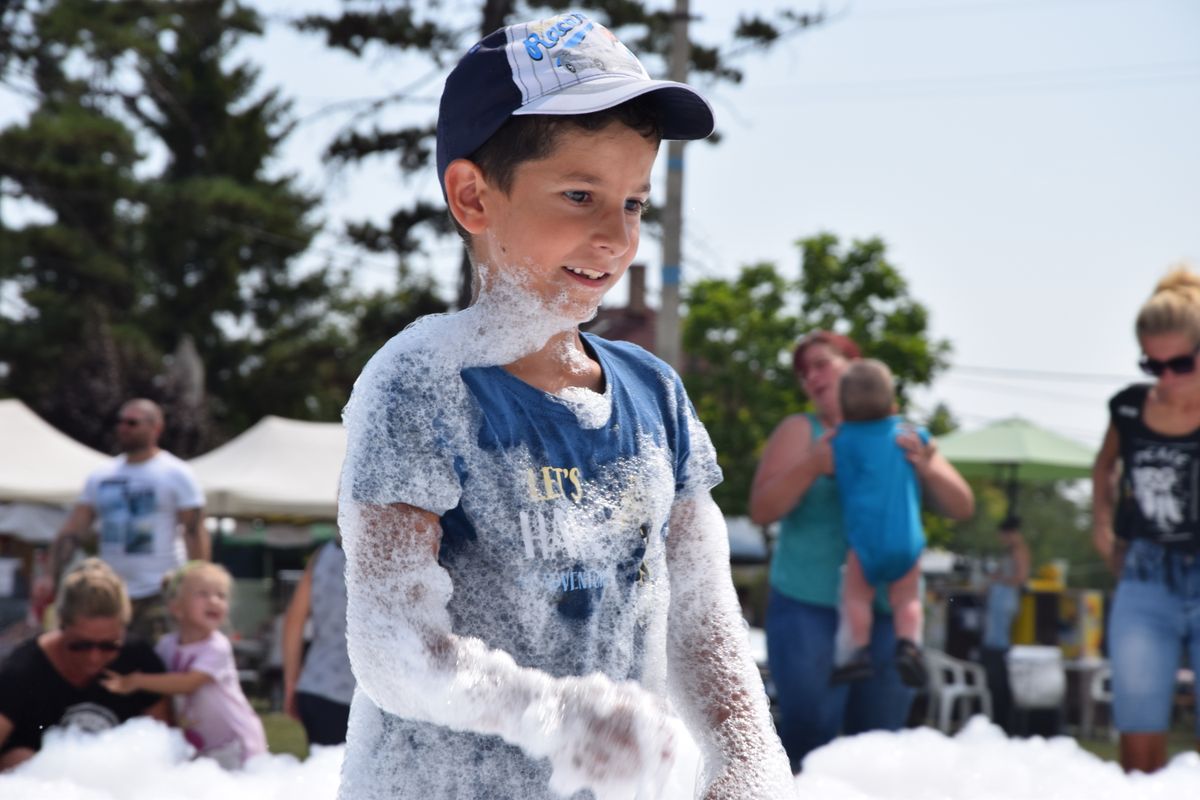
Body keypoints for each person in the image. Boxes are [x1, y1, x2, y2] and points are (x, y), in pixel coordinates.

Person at [337, 11, 793, 800]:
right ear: (474, 197)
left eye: (634, 204)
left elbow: (702, 620)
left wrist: (747, 764)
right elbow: (392, 644)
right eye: (580, 194)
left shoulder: (654, 395)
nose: (615, 238)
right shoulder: (421, 383)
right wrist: (555, 716)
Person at [749, 330, 974, 773]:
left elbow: (961, 506)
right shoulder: (802, 430)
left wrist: (926, 464)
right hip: (809, 607)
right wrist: (813, 463)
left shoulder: (903, 434)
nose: (811, 376)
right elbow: (761, 510)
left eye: (822, 363)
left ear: (854, 366)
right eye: (803, 371)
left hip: (889, 609)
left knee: (880, 741)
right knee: (809, 733)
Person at [1092, 265, 1200, 774]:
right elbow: (1104, 466)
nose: (1167, 378)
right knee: (1138, 734)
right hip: (1145, 574)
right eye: (1152, 365)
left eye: (1180, 363)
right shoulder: (1129, 408)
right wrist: (1101, 525)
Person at [40, 398, 207, 642]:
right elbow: (74, 529)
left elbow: (194, 531)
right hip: (110, 592)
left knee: (155, 665)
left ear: (156, 428)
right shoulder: (101, 475)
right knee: (104, 661)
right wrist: (49, 575)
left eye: (132, 422)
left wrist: (199, 587)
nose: (123, 428)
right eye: (120, 422)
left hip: (158, 589)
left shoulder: (176, 473)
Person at [0, 558, 168, 770]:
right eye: (80, 645)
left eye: (108, 646)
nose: (94, 657)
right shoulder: (22, 672)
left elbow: (164, 746)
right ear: (61, 625)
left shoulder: (140, 661)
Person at [102, 561, 267, 769]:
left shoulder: (217, 647)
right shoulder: (167, 645)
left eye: (221, 595)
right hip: (202, 745)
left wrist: (136, 681)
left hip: (235, 742)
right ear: (177, 608)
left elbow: (189, 683)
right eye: (203, 594)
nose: (214, 600)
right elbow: (161, 680)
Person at [828, 359, 930, 689]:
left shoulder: (842, 439)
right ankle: (908, 646)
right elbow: (930, 443)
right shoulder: (907, 436)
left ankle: (858, 652)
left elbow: (831, 462)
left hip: (865, 542)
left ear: (843, 408)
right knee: (907, 598)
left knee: (857, 596)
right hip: (905, 540)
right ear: (893, 404)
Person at [282, 538, 354, 748]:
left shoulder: (323, 553)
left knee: (324, 775)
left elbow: (294, 621)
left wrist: (291, 682)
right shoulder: (393, 548)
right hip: (365, 693)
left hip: (317, 684)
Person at [979, 515, 1030, 735]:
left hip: (1005, 602)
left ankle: (1003, 710)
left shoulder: (1019, 551)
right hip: (999, 602)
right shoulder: (1009, 552)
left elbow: (1020, 578)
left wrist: (997, 579)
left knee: (998, 649)